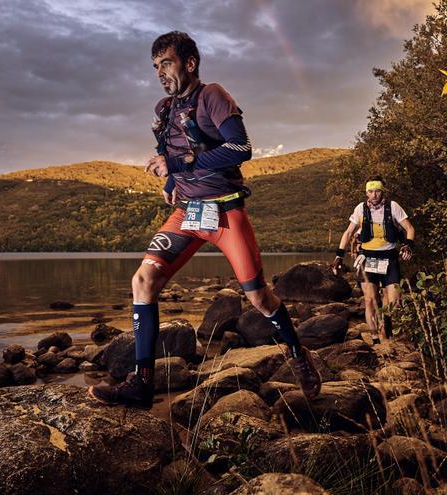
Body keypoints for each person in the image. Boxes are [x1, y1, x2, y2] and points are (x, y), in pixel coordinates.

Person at [89, 31, 321, 407]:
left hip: (225, 211)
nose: (160, 72)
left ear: (190, 63)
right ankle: (141, 384)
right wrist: (169, 180)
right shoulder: (163, 109)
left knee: (259, 298)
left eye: (166, 63)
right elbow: (169, 153)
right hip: (187, 213)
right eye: (155, 67)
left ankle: (298, 355)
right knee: (143, 280)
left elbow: (240, 149)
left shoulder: (213, 95)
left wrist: (178, 164)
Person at [333, 176, 415, 341]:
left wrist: (408, 245)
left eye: (377, 191)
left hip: (389, 258)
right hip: (368, 258)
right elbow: (348, 232)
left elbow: (409, 228)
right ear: (366, 193)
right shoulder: (360, 209)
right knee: (370, 300)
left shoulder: (393, 207)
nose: (374, 194)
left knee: (393, 301)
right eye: (371, 191)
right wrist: (339, 255)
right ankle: (375, 337)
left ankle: (386, 329)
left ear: (382, 191)